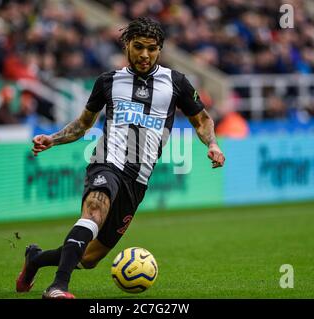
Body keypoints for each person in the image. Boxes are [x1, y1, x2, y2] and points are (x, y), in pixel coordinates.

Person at [16, 17, 226, 299]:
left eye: (151, 48)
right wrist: (52, 139)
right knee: (93, 211)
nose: (144, 55)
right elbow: (83, 124)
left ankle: (35, 260)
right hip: (107, 161)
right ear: (127, 45)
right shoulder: (108, 82)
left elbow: (201, 120)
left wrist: (212, 144)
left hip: (137, 180)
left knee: (89, 258)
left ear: (160, 49)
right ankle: (57, 288)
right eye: (138, 47)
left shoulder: (176, 83)